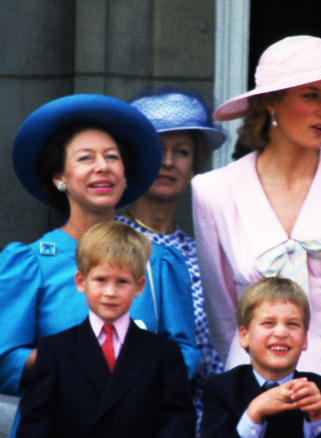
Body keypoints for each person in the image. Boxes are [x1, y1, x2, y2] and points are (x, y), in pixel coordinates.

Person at [192, 35, 321, 437]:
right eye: (311, 96)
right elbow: (224, 311)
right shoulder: (213, 190)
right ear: (270, 101)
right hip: (251, 384)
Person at [0, 94, 199, 435]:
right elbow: (4, 361)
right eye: (85, 158)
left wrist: (135, 365)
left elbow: (186, 353)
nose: (102, 166)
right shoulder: (29, 263)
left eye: (112, 157)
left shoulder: (159, 261)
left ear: (125, 176)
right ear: (59, 177)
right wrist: (76, 359)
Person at [16, 221, 195, 437]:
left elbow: (176, 424)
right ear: (81, 281)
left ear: (139, 286)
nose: (110, 292)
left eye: (122, 281)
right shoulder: (54, 351)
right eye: (101, 279)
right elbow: (36, 425)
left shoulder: (164, 353)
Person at [117, 89, 226, 430]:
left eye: (181, 152)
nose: (167, 162)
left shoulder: (203, 254)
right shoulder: (106, 243)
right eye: (157, 150)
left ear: (195, 166)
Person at [201, 277, 321, 438]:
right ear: (244, 336)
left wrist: (318, 418)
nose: (281, 333)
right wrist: (254, 413)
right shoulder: (221, 390)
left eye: (292, 324)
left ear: (305, 339)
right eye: (268, 323)